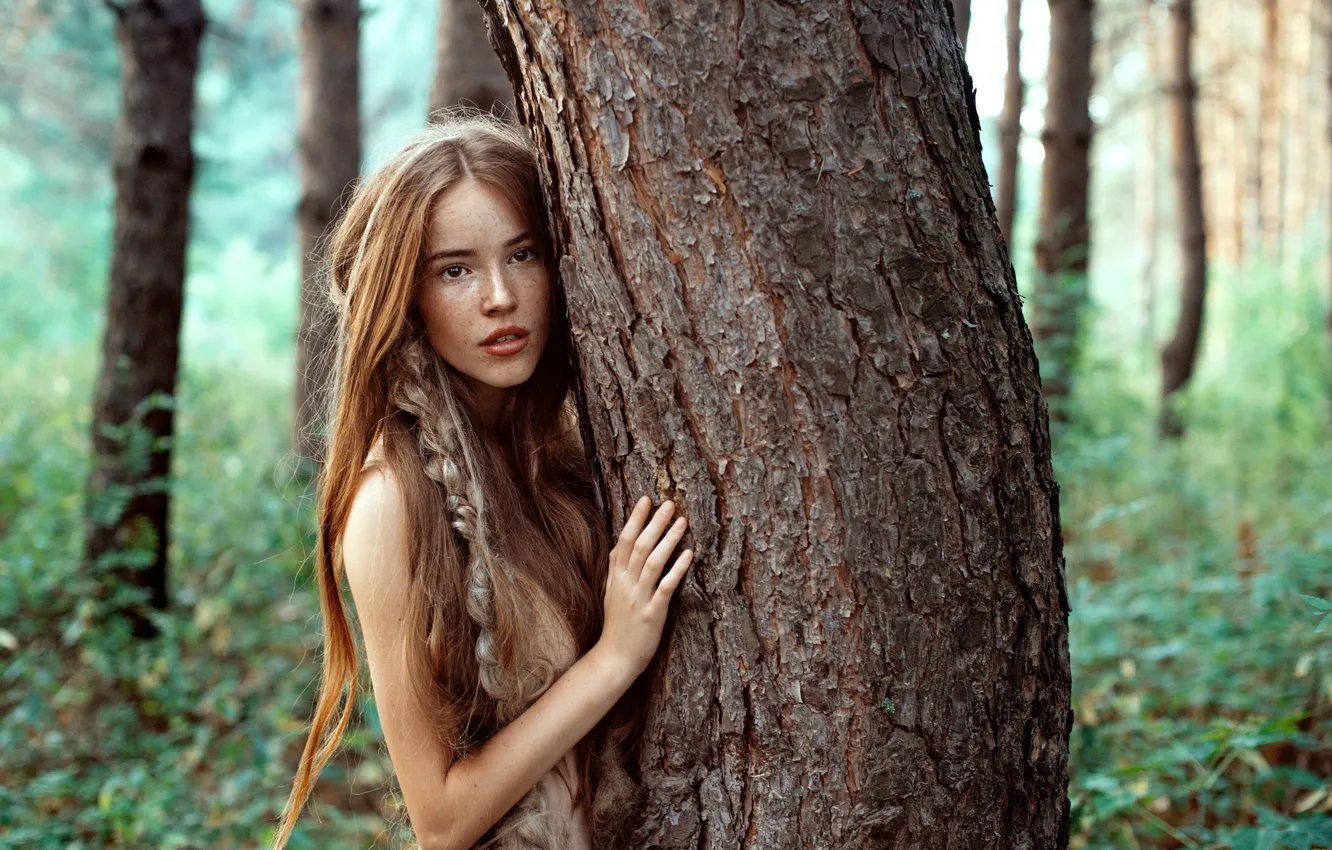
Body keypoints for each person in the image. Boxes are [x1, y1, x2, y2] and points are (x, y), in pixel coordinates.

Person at [271, 112, 696, 850]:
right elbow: (440, 819)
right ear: (406, 294)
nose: (499, 297)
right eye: (455, 269)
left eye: (523, 254)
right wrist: (616, 657)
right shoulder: (390, 503)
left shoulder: (568, 446)